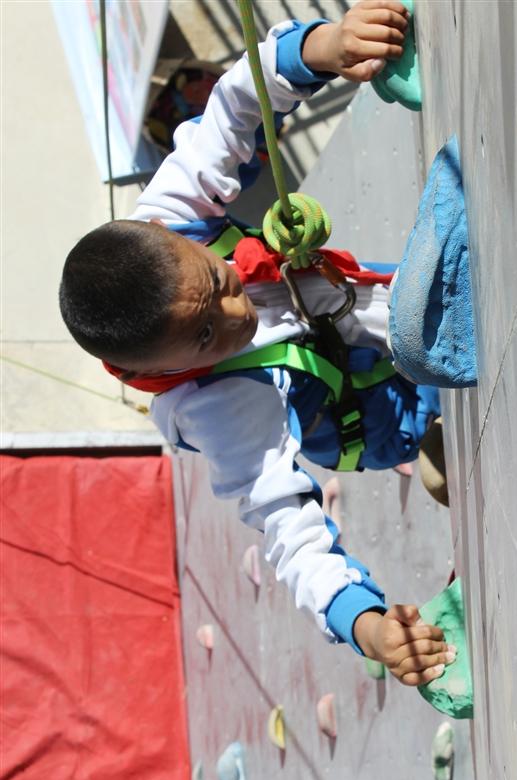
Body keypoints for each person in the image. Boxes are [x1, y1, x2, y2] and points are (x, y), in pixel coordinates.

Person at [58, 0, 455, 686]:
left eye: (218, 281)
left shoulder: (170, 214)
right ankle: (432, 442)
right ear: (154, 370)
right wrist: (367, 625)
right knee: (451, 420)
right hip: (374, 413)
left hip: (380, 308)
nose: (238, 311)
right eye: (205, 335)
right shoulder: (213, 410)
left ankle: (439, 438)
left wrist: (329, 45)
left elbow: (233, 108)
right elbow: (289, 532)